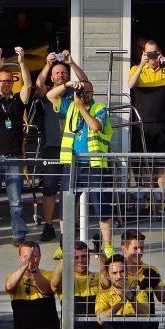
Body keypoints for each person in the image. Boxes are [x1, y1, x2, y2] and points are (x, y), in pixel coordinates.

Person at [45, 79, 113, 257]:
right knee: (67, 207)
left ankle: (107, 246)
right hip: (72, 164)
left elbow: (95, 126)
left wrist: (82, 106)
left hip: (94, 164)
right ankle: (64, 244)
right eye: (82, 91)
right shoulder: (70, 106)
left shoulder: (99, 108)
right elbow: (50, 95)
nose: (85, 95)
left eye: (88, 91)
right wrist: (67, 85)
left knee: (102, 206)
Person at [34, 49, 90, 242]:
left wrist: (71, 63)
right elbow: (39, 85)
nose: (61, 75)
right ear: (52, 76)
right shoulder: (50, 93)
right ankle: (49, 226)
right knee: (49, 188)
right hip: (52, 146)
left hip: (73, 148)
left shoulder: (75, 90)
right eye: (57, 73)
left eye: (63, 72)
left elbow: (86, 82)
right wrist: (48, 64)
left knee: (71, 189)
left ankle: (70, 224)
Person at [0, 47, 32, 244]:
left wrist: (22, 62)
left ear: (13, 83)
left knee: (16, 201)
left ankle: (19, 235)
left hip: (14, 157)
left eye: (9, 81)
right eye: (2, 81)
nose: (6, 84)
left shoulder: (18, 102)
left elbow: (28, 86)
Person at [127, 39, 165, 214]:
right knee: (146, 164)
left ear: (160, 52)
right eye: (148, 53)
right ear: (143, 53)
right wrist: (142, 64)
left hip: (164, 123)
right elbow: (130, 85)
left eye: (154, 53)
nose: (152, 57)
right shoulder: (136, 69)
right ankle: (149, 199)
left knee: (163, 164)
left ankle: (164, 200)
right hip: (144, 124)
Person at [107, 228, 165, 329]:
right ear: (123, 248)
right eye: (135, 248)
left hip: (147, 327)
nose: (140, 252)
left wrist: (156, 283)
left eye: (142, 248)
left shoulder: (150, 270)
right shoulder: (114, 272)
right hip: (120, 328)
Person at [5, 241, 60, 329]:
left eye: (35, 256)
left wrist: (33, 270)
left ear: (40, 257)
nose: (31, 260)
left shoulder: (49, 274)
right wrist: (25, 265)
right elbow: (9, 287)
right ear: (19, 258)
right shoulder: (12, 277)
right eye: (26, 257)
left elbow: (47, 290)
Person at [51, 241, 103, 329]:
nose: (80, 260)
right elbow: (54, 285)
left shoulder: (98, 277)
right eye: (76, 257)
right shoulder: (66, 280)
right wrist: (64, 256)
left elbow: (107, 276)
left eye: (84, 256)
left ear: (89, 257)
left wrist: (99, 253)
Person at [96, 253, 152, 329]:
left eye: (122, 272)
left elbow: (147, 315)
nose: (119, 276)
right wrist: (121, 302)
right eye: (114, 273)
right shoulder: (103, 295)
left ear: (127, 272)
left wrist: (132, 298)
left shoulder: (139, 292)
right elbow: (100, 319)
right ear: (108, 276)